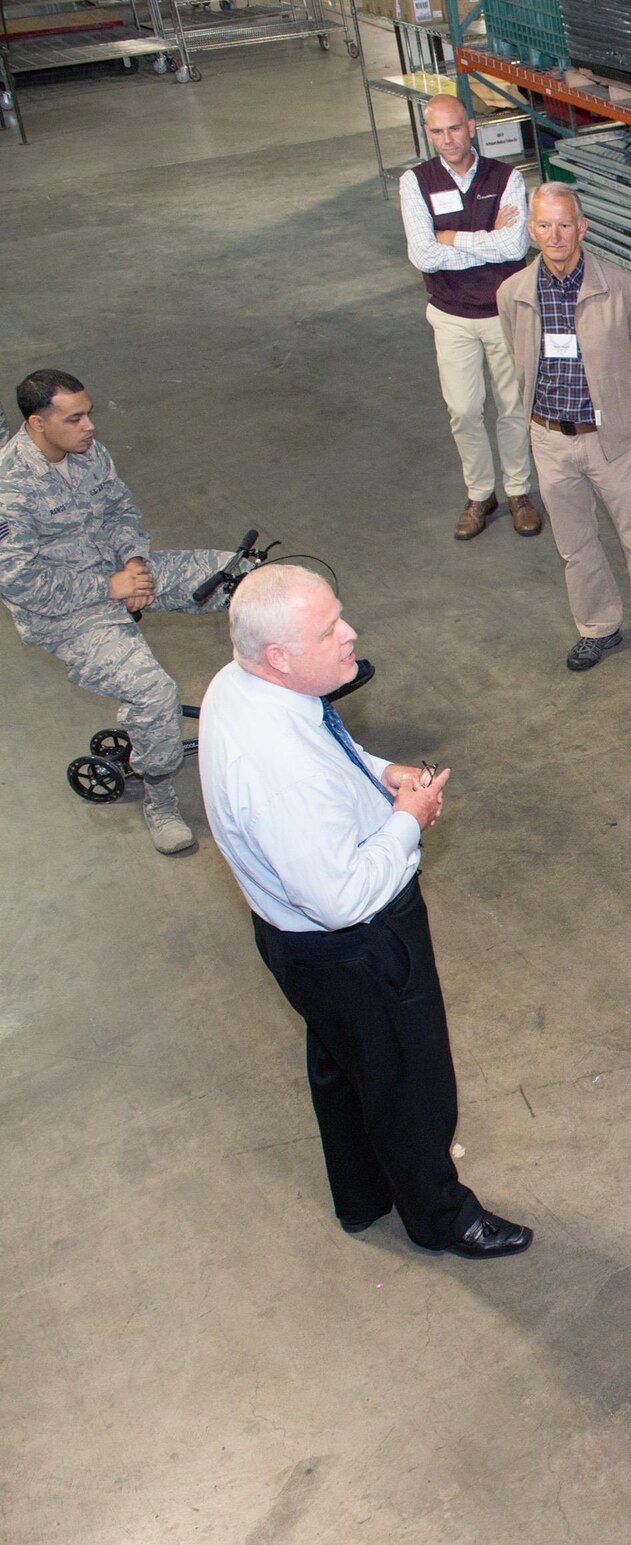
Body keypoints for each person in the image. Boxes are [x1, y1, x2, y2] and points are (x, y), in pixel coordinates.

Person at [199, 565, 532, 1260]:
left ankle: (361, 1193)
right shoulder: (276, 767)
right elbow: (341, 898)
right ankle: (441, 1217)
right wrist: (407, 820)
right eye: (329, 631)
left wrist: (380, 775)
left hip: (300, 948)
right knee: (412, 1082)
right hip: (359, 943)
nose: (350, 634)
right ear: (280, 656)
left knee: (345, 1061)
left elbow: (329, 746)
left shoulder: (245, 685)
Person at [0, 369, 239, 855]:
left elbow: (119, 512)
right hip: (65, 613)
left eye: (89, 414)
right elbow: (18, 582)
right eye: (76, 418)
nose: (90, 426)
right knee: (153, 692)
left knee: (246, 578)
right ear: (38, 424)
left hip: (119, 571)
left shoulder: (87, 452)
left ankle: (281, 698)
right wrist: (108, 587)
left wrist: (132, 561)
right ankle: (160, 798)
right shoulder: (9, 487)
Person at [496, 184, 631, 676]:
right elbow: (518, 355)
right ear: (531, 230)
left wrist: (624, 413)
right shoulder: (513, 293)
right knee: (575, 546)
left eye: (564, 224)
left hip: (610, 439)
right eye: (543, 225)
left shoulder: (621, 288)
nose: (554, 235)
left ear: (582, 227)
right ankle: (598, 627)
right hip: (550, 440)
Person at [399, 93, 539, 542]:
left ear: (472, 126)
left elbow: (515, 248)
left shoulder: (508, 177)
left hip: (504, 311)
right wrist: (484, 238)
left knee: (514, 405)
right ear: (428, 134)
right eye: (437, 132)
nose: (447, 140)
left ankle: (518, 491)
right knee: (463, 409)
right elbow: (422, 254)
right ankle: (481, 494)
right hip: (450, 315)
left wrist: (451, 239)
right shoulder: (414, 182)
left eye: (455, 129)